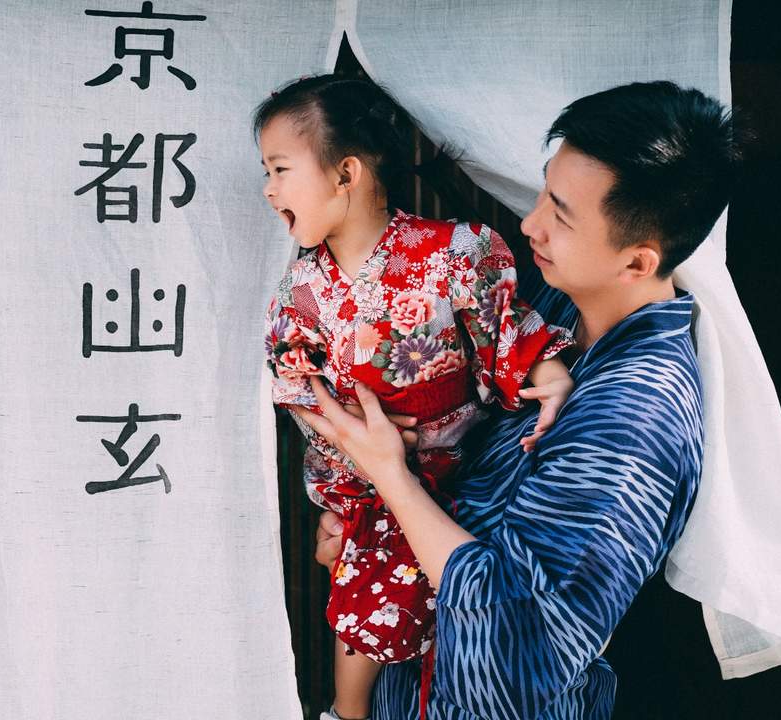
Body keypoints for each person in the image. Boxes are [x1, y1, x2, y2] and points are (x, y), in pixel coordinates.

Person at [300, 81, 741, 719]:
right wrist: (369, 525)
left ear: (638, 261)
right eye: (543, 190)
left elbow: (518, 654)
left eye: (562, 216)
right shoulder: (561, 306)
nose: (530, 222)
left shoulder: (636, 417)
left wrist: (390, 477)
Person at [258, 75, 575, 720]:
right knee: (362, 602)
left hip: (465, 475)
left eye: (280, 170)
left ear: (345, 172)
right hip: (366, 486)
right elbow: (293, 383)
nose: (269, 190)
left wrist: (547, 368)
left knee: (469, 622)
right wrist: (353, 444)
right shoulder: (301, 288)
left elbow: (501, 329)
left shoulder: (456, 252)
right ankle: (345, 714)